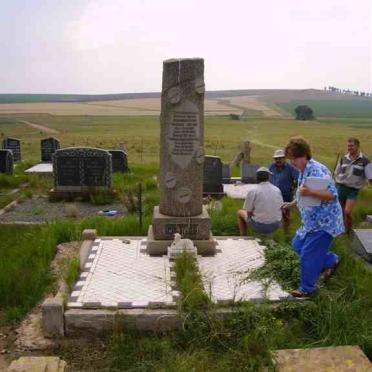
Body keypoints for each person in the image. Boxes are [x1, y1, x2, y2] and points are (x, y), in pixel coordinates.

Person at [282, 137, 344, 298]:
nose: (292, 162)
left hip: (324, 222)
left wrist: (310, 192)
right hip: (310, 222)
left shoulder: (317, 170)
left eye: (294, 158)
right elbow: (303, 194)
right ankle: (330, 260)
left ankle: (306, 289)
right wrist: (292, 203)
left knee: (308, 255)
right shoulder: (304, 170)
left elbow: (332, 195)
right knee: (297, 245)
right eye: (290, 159)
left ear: (303, 155)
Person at [334, 138, 372, 234]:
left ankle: (349, 231)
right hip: (340, 188)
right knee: (340, 211)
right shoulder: (343, 159)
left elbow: (370, 177)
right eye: (348, 146)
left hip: (353, 190)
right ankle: (342, 231)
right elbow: (336, 173)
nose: (349, 148)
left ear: (357, 146)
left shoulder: (365, 161)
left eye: (351, 146)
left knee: (347, 212)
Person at [237, 167, 283, 236]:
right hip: (276, 224)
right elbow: (280, 208)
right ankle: (269, 235)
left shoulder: (253, 191)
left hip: (259, 226)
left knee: (240, 212)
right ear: (268, 177)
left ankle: (243, 236)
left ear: (257, 178)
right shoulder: (277, 189)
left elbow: (248, 212)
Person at [269, 149, 299, 233]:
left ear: (284, 158)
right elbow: (268, 177)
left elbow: (298, 179)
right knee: (273, 213)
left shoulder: (290, 168)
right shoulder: (272, 166)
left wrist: (295, 188)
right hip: (274, 195)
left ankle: (286, 232)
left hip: (286, 195)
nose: (278, 160)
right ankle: (274, 231)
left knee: (286, 214)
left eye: (280, 158)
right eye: (276, 159)